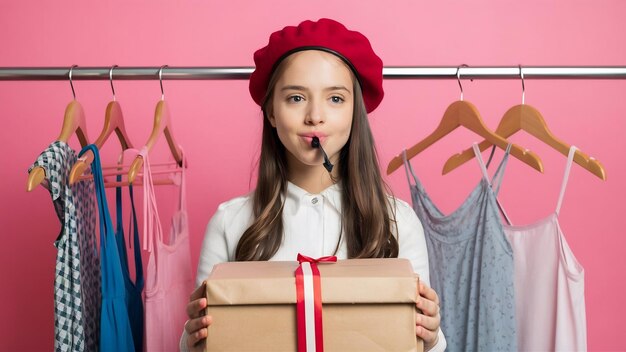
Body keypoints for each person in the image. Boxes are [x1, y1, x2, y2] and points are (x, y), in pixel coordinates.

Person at [181, 18, 446, 352]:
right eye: (295, 98)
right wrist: (193, 336)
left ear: (355, 113)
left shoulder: (399, 221)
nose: (315, 116)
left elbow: (425, 344)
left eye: (336, 99)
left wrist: (432, 333)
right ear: (271, 112)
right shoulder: (229, 221)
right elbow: (198, 343)